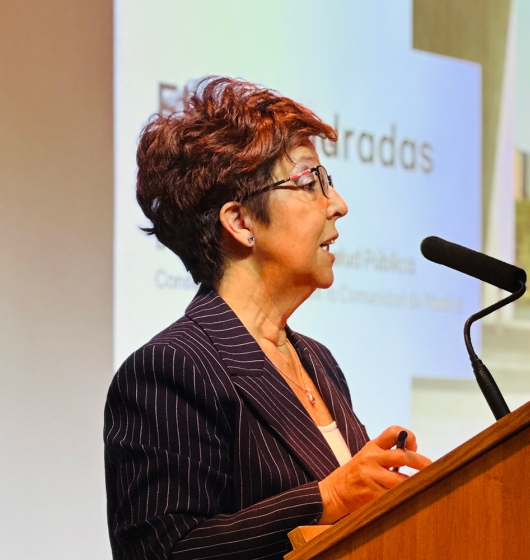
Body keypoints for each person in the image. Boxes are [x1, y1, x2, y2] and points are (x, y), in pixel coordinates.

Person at [104, 78, 431, 560]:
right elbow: (164, 551)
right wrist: (326, 498)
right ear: (240, 222)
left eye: (329, 182)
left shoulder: (317, 361)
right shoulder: (170, 370)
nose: (338, 205)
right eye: (310, 182)